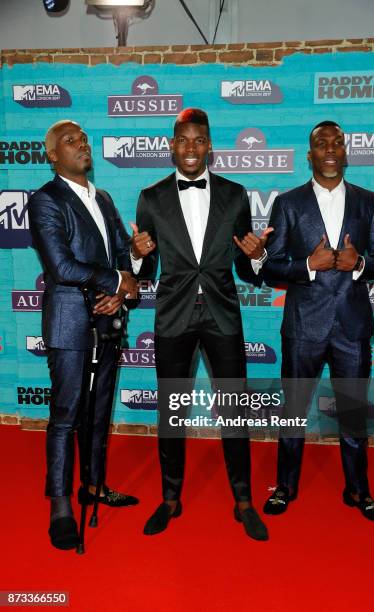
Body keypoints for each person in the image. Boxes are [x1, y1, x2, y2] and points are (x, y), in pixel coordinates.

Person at [131, 108, 271, 541]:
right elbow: (146, 268)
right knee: (171, 412)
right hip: (173, 316)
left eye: (199, 140)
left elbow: (249, 269)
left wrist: (256, 256)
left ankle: (243, 500)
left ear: (210, 146)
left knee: (234, 409)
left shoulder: (235, 194)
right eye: (183, 140)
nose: (191, 148)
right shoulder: (150, 197)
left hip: (223, 314)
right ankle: (170, 498)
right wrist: (136, 255)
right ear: (171, 145)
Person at [262, 120, 374, 523]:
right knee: (294, 411)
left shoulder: (367, 201)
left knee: (353, 412)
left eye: (338, 142)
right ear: (311, 154)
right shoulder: (288, 203)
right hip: (303, 326)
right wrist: (307, 264)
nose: (331, 149)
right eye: (322, 143)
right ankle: (285, 487)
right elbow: (271, 269)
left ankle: (359, 490)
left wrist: (360, 265)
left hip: (352, 327)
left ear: (345, 152)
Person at [28, 120, 139, 550]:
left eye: (85, 139)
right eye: (69, 142)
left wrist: (134, 263)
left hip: (107, 322)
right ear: (53, 155)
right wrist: (115, 280)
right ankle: (60, 506)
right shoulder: (45, 201)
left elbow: (119, 256)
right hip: (70, 325)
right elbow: (62, 267)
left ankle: (93, 486)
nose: (82, 146)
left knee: (97, 416)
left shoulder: (104, 198)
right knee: (66, 417)